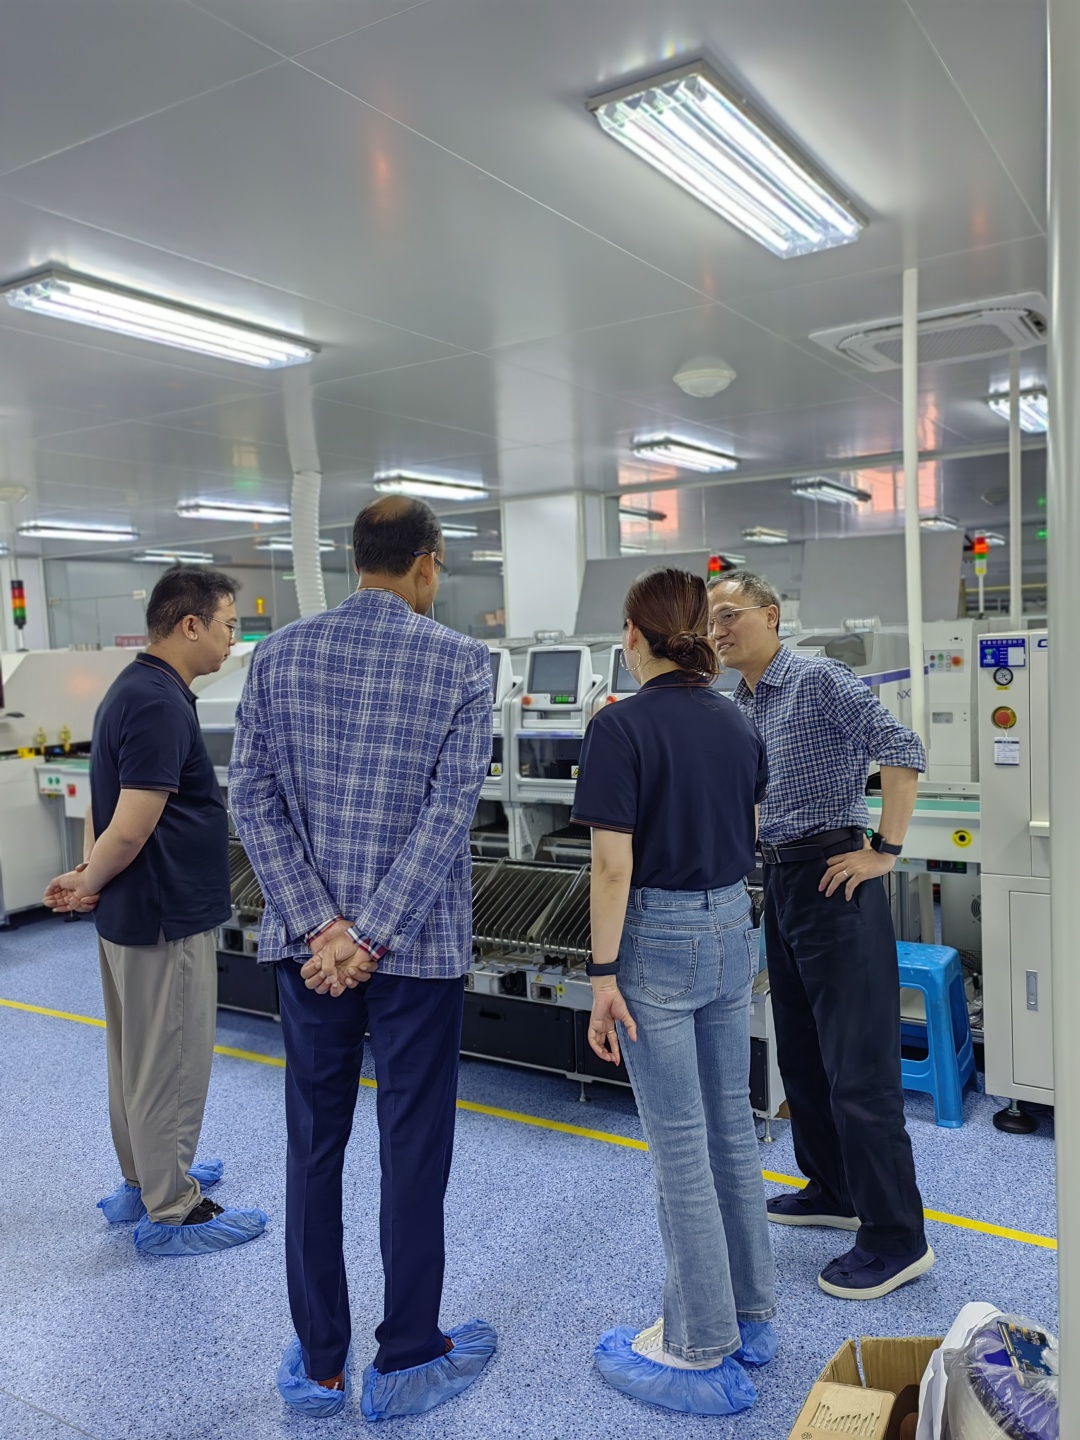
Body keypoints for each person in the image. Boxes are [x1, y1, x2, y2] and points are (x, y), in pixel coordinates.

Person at [228, 496, 497, 1423]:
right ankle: (409, 1352)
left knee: (314, 1145)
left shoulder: (276, 655)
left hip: (308, 961)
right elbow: (450, 813)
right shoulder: (461, 661)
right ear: (426, 565)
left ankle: (321, 1362)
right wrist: (373, 935)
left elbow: (252, 799)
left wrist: (321, 929)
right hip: (417, 953)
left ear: (356, 560)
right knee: (413, 1147)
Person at [570, 567, 777, 1419]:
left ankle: (698, 1347)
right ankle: (751, 1316)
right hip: (731, 925)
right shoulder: (736, 719)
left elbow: (611, 868)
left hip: (655, 941)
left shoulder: (618, 727)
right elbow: (748, 828)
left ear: (633, 636)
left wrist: (601, 977)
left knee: (680, 1147)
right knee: (732, 1129)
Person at [709, 571, 933, 1301]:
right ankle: (832, 1188)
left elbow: (902, 748)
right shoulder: (738, 704)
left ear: (771, 616)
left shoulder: (817, 679)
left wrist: (884, 851)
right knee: (802, 1056)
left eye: (729, 614)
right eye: (711, 620)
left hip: (838, 879)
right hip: (781, 882)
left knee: (858, 1072)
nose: (718, 630)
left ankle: (896, 1238)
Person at [43, 566, 267, 1257]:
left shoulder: (130, 689)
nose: (232, 640)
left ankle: (144, 1178)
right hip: (165, 914)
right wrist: (90, 879)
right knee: (170, 1060)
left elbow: (101, 804)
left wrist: (89, 876)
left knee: (135, 1058)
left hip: (132, 910)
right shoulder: (160, 704)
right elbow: (134, 823)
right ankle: (172, 1211)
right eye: (229, 625)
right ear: (190, 624)